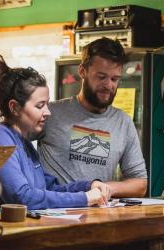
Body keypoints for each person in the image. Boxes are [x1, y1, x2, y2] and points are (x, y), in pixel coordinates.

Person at [0, 53, 111, 210]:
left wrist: (89, 186)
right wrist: (85, 198)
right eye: (40, 106)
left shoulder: (25, 143)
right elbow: (20, 197)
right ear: (15, 107)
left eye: (47, 104)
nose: (48, 112)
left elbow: (49, 189)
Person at [38, 37, 147, 198]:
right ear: (82, 71)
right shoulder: (51, 113)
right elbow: (15, 142)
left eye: (114, 79)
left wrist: (104, 189)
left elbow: (140, 183)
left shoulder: (123, 122)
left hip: (98, 216)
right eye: (101, 77)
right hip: (55, 213)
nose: (109, 85)